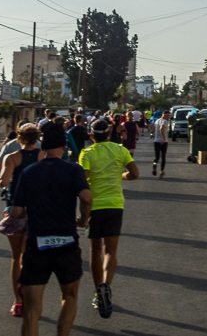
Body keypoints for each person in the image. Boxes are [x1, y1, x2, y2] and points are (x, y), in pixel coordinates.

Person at [12, 122, 92, 336]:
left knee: (31, 311)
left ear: (43, 146)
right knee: (70, 296)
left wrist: (26, 210)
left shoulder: (29, 172)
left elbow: (16, 211)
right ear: (64, 146)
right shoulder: (73, 170)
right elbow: (86, 197)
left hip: (37, 244)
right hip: (66, 242)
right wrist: (84, 220)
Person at [78, 119, 139, 318]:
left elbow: (83, 180)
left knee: (95, 250)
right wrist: (121, 177)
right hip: (115, 204)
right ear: (109, 132)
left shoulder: (87, 153)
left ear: (92, 135)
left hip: (95, 206)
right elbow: (135, 174)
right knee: (110, 251)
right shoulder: (120, 150)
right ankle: (106, 286)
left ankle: (98, 292)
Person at [0, 124, 42, 317]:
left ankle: (18, 301)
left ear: (19, 138)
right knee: (32, 256)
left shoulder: (12, 157)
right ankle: (33, 298)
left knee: (16, 258)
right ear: (36, 138)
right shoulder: (42, 156)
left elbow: (4, 181)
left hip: (15, 208)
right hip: (37, 211)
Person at [152, 110, 170, 178]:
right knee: (163, 156)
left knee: (157, 157)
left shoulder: (157, 120)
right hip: (163, 141)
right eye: (167, 115)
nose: (168, 117)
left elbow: (153, 128)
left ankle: (154, 164)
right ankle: (162, 171)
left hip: (156, 141)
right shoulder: (164, 121)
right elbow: (161, 128)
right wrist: (163, 138)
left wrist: (152, 133)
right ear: (163, 115)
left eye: (169, 115)